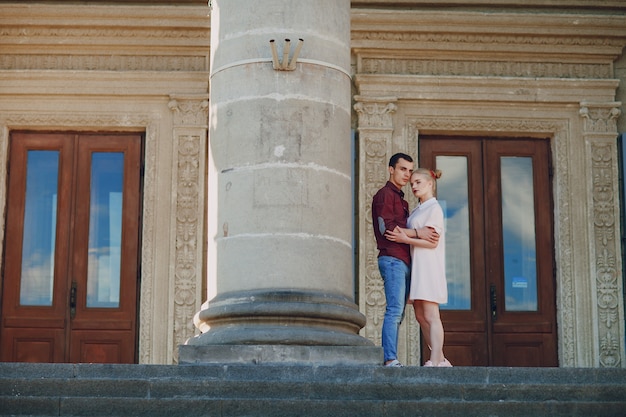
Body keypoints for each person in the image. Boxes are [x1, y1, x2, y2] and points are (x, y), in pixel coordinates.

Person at [372, 154, 438, 367]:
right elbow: (388, 230)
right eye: (402, 169)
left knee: (401, 312)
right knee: (394, 309)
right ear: (391, 169)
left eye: (410, 171)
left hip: (404, 261)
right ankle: (390, 359)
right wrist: (418, 233)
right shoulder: (385, 195)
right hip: (392, 259)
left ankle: (437, 357)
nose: (407, 175)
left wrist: (415, 235)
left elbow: (403, 232)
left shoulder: (403, 200)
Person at [385, 168, 452, 367]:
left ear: (430, 183)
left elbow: (432, 242)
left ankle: (436, 360)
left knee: (431, 315)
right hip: (418, 267)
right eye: (412, 183)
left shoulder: (434, 208)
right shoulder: (418, 209)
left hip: (429, 266)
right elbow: (417, 233)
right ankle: (440, 358)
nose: (413, 186)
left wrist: (406, 238)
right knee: (420, 315)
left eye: (418, 182)